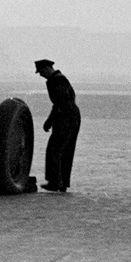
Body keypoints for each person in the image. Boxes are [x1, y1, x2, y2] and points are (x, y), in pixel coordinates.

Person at [35, 59, 81, 192]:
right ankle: (62, 183)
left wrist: (50, 121)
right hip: (69, 115)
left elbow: (61, 102)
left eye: (41, 71)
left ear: (46, 68)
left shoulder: (58, 80)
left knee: (54, 149)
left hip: (66, 116)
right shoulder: (58, 79)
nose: (40, 74)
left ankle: (55, 182)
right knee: (65, 150)